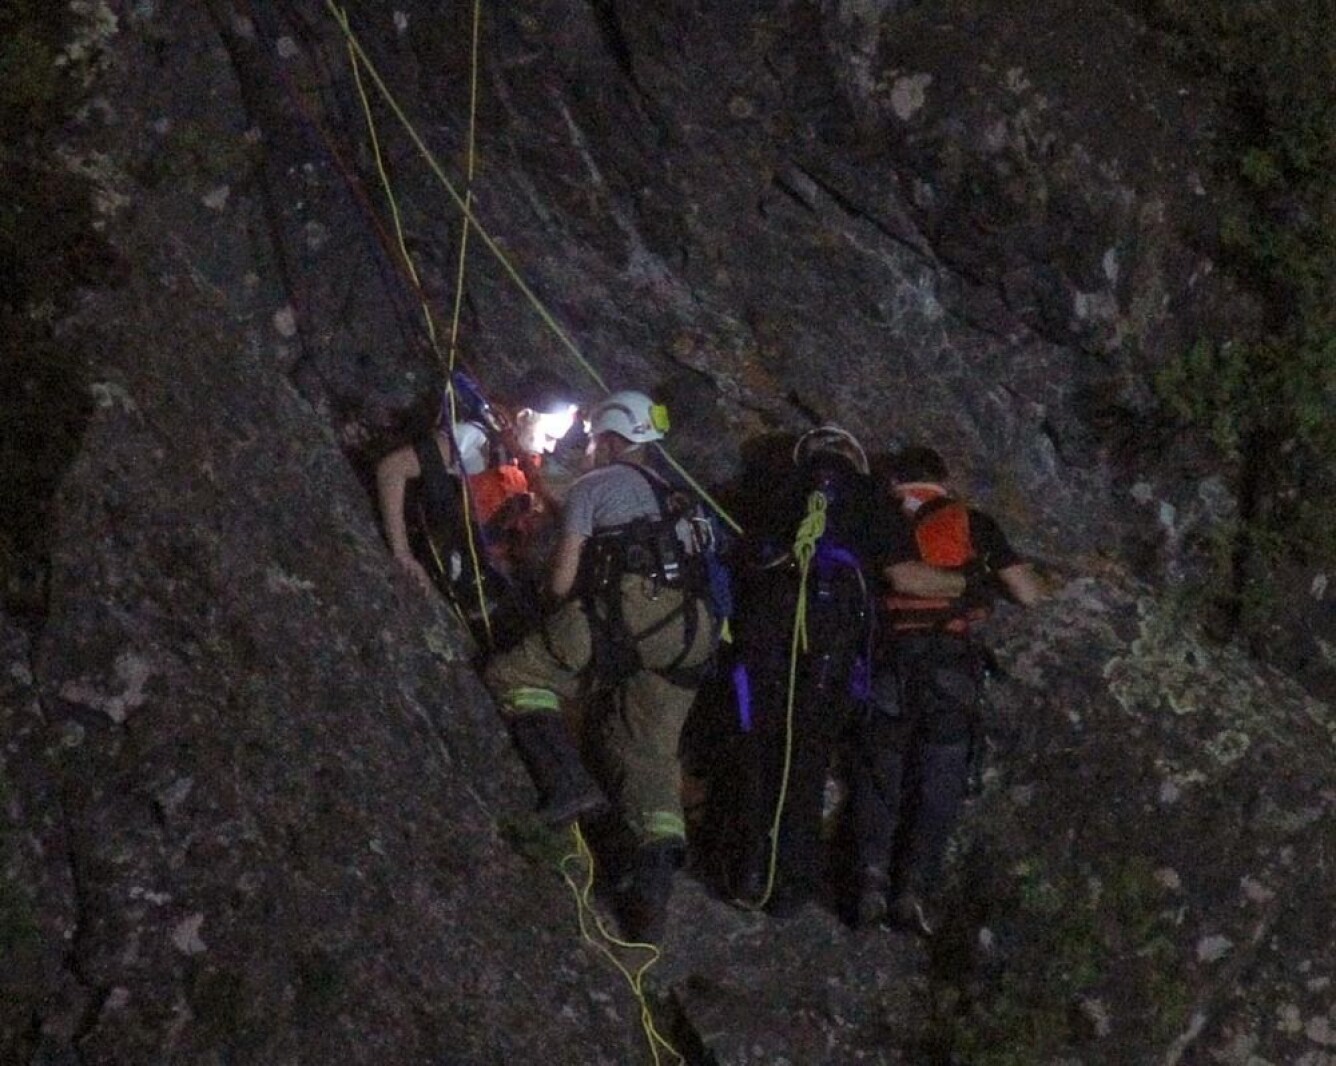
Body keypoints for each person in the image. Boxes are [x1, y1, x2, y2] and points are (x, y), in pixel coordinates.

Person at [483, 389, 720, 942]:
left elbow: (563, 582)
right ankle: (651, 894)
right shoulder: (681, 500)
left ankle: (568, 783)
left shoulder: (597, 485)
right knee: (648, 750)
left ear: (612, 440)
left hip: (635, 609)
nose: (587, 450)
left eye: (592, 441)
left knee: (516, 677)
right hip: (695, 634)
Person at [851, 445, 1041, 935]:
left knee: (880, 772)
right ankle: (912, 889)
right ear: (942, 479)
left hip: (890, 660)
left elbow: (897, 576)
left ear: (894, 480)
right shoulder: (971, 522)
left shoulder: (877, 518)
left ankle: (870, 879)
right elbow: (1028, 592)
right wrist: (973, 585)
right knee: (942, 777)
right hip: (949, 665)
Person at [724, 425, 877, 916]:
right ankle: (791, 879)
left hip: (773, 619)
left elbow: (744, 555)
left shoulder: (776, 490)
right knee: (806, 758)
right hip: (833, 629)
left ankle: (751, 869)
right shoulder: (867, 502)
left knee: (759, 748)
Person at [376, 410, 540, 650]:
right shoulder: (475, 437)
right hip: (442, 568)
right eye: (548, 434)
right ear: (524, 416)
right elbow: (392, 468)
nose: (552, 444)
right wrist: (402, 552)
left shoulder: (518, 464)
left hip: (469, 583)